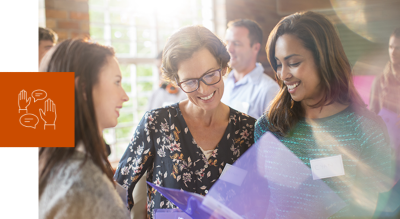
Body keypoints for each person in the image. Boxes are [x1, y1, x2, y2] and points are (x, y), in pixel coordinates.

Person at [255, 11, 393, 218]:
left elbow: (377, 209)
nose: (283, 75)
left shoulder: (366, 128)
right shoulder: (268, 127)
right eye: (278, 64)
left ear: (324, 60)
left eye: (293, 63)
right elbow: (260, 201)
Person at [114, 25, 256, 219]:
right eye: (190, 82)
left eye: (210, 75)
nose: (204, 90)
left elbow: (258, 200)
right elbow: (118, 191)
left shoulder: (248, 130)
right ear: (176, 81)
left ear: (223, 68)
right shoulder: (157, 123)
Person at [38, 39, 130, 219]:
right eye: (117, 82)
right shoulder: (83, 183)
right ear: (84, 88)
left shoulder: (53, 163)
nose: (124, 96)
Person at [222, 19, 279, 118]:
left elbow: (274, 133)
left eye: (236, 43)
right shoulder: (223, 84)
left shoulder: (269, 90)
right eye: (227, 42)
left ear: (255, 48)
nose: (229, 49)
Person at [370, 28, 400, 116]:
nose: (392, 52)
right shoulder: (379, 80)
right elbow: (373, 113)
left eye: (398, 48)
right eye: (390, 47)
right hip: (385, 129)